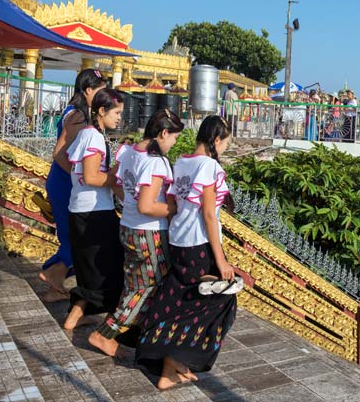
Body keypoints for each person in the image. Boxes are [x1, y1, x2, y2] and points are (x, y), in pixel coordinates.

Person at [136, 116, 239, 390]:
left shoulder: (182, 162)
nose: (226, 149)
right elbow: (208, 214)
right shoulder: (207, 166)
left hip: (179, 239)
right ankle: (171, 364)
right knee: (216, 302)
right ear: (216, 140)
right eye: (226, 143)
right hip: (199, 243)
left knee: (184, 297)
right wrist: (221, 260)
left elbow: (174, 200)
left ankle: (176, 363)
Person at [88, 108, 185, 358]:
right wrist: (173, 207)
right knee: (147, 288)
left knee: (134, 285)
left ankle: (133, 332)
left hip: (129, 226)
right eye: (173, 138)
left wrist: (132, 206)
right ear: (163, 133)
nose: (173, 144)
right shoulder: (155, 162)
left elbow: (119, 186)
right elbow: (148, 205)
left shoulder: (130, 151)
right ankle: (104, 333)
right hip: (149, 232)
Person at [39, 69, 106, 303]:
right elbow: (59, 153)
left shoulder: (75, 112)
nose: (103, 95)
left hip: (63, 182)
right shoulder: (78, 116)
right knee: (75, 240)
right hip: (64, 182)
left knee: (71, 238)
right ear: (88, 90)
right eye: (100, 90)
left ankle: (53, 283)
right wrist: (79, 175)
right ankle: (53, 276)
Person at [64, 88, 126, 330]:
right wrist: (113, 176)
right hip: (94, 213)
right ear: (101, 111)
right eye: (117, 112)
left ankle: (78, 313)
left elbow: (74, 167)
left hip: (83, 209)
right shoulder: (94, 138)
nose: (119, 117)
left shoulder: (86, 134)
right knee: (107, 269)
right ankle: (83, 315)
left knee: (94, 268)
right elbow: (91, 177)